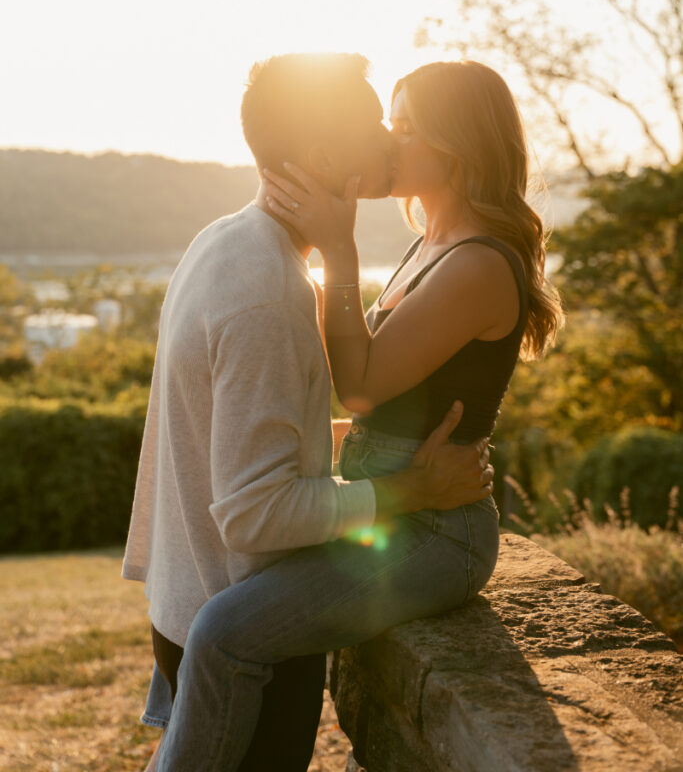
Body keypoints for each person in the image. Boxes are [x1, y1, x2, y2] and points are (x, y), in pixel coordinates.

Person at [153, 59, 563, 771]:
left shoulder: (477, 263)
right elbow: (382, 413)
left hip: (438, 533)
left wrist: (337, 250)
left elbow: (364, 388)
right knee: (231, 619)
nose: (389, 142)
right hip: (404, 508)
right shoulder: (427, 245)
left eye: (404, 127)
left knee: (224, 630)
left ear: (455, 145)